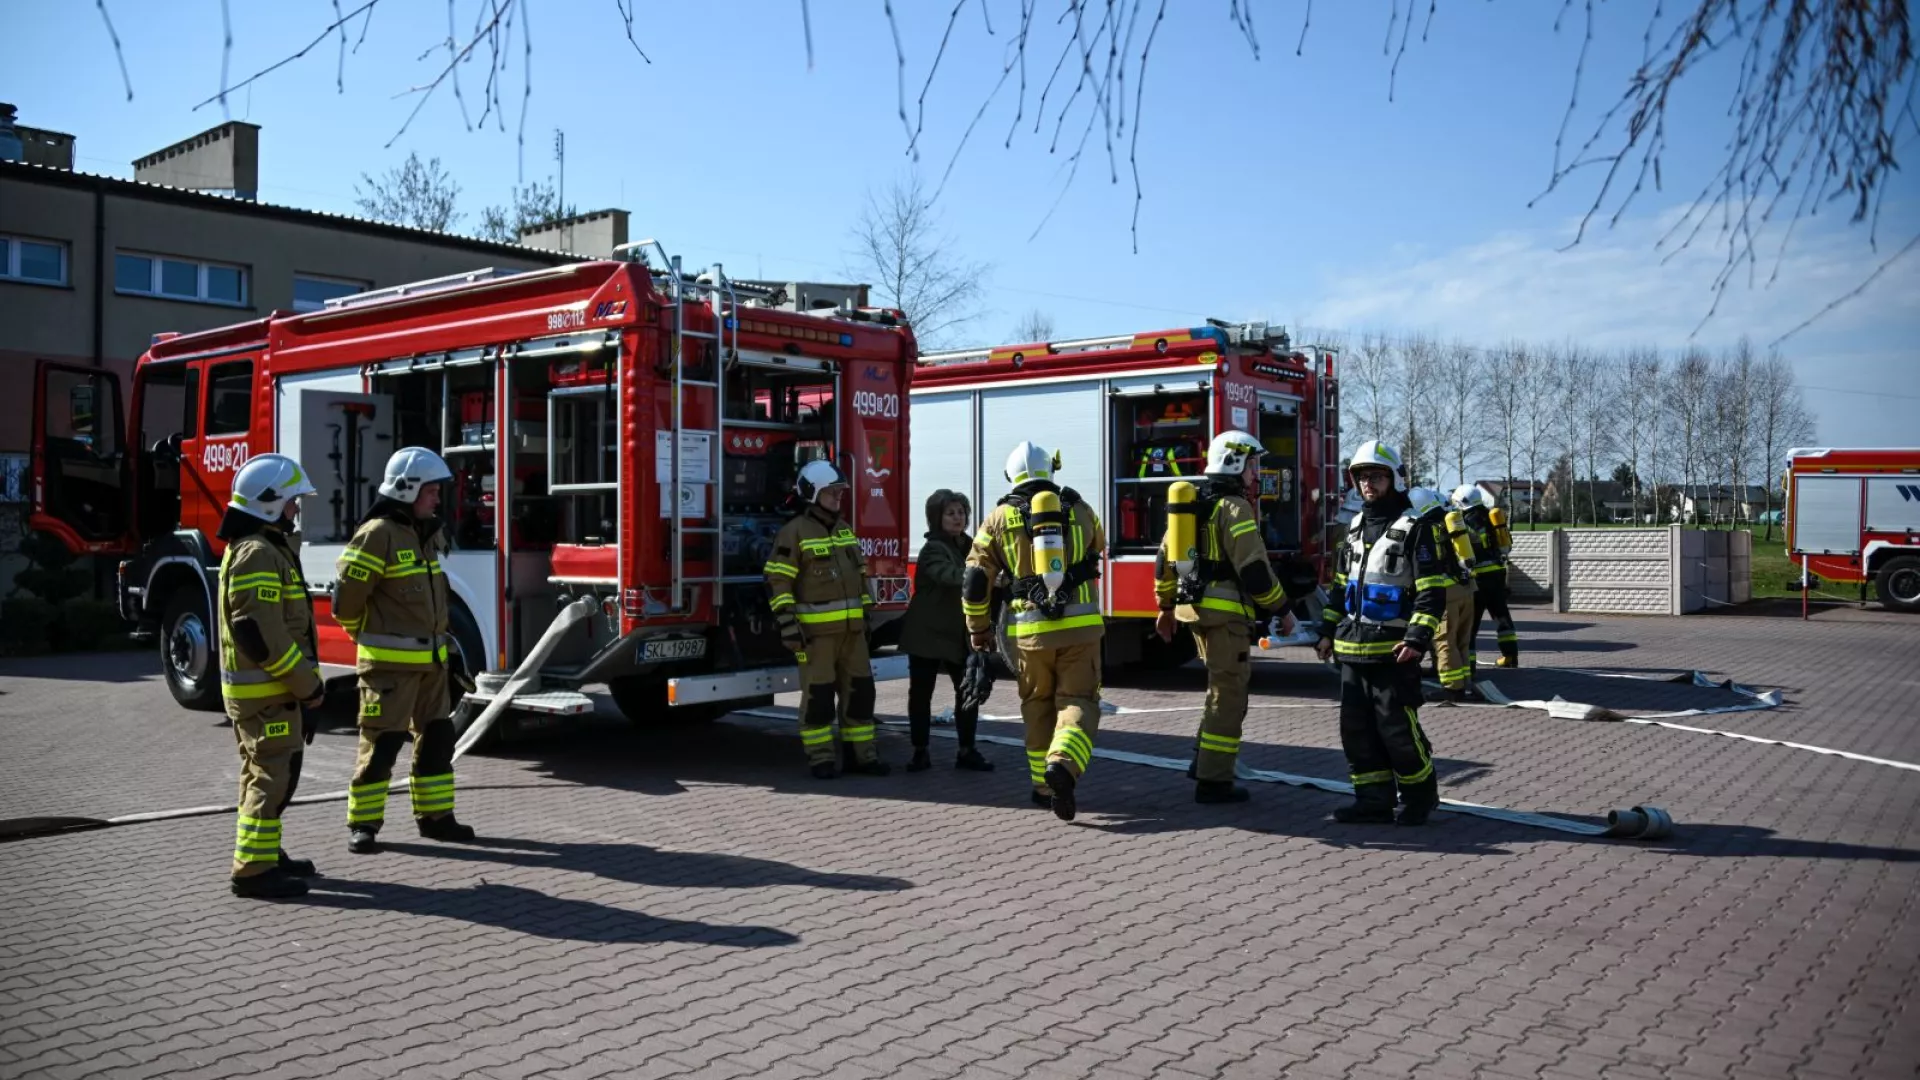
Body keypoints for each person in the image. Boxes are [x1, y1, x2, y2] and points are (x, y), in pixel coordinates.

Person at [1154, 431, 1314, 804]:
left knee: (1218, 689)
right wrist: (1283, 610)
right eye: (1253, 465)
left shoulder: (1192, 504)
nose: (1256, 474)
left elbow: (1163, 561)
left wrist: (1165, 608)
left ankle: (1202, 759)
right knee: (1228, 697)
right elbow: (1254, 570)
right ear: (1236, 463)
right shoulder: (1235, 508)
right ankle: (1214, 782)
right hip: (1226, 618)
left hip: (1194, 612)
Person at [333, 447, 479, 854]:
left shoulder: (425, 534)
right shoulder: (377, 534)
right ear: (406, 489)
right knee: (381, 746)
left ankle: (436, 818)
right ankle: (364, 824)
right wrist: (373, 640)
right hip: (388, 671)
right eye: (431, 491)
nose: (437, 499)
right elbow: (345, 604)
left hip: (432, 668)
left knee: (437, 742)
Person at [963, 441, 1106, 820]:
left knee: (1037, 706)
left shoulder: (997, 518)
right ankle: (1063, 764)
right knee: (1079, 701)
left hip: (1029, 633)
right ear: (1050, 471)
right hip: (1081, 631)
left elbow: (975, 579)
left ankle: (1044, 789)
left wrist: (978, 629)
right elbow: (1100, 544)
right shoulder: (1080, 508)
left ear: (1012, 476)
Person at [1314, 441, 1449, 826]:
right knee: (1356, 731)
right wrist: (1326, 631)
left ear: (1394, 479)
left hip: (1393, 650)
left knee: (1397, 729)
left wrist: (1417, 639)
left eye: (1376, 476)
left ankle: (1421, 798)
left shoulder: (1416, 528)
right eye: (1361, 477)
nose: (1368, 484)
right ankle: (1372, 801)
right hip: (1351, 648)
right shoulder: (1354, 527)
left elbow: (1431, 592)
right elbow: (1340, 586)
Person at [216, 454, 326, 899]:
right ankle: (253, 871)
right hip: (268, 694)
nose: (295, 509)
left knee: (265, 773)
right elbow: (261, 634)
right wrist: (308, 687)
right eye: (291, 501)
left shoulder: (261, 548)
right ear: (269, 502)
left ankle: (264, 852)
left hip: (267, 693)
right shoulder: (258, 553)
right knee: (271, 776)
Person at [766, 460, 890, 779]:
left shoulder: (844, 530)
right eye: (831, 493)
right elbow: (778, 581)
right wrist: (788, 625)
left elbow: (860, 579)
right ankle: (820, 758)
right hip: (815, 637)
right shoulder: (794, 532)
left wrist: (866, 619)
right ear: (812, 493)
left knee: (861, 696)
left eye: (840, 493)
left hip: (853, 636)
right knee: (818, 699)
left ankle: (862, 757)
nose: (838, 498)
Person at [897, 489, 995, 773]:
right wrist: (982, 576)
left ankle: (967, 751)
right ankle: (920, 752)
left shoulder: (972, 545)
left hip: (958, 634)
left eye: (961, 512)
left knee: (968, 692)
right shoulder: (932, 549)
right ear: (936, 518)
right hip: (926, 634)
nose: (957, 518)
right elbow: (949, 575)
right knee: (921, 695)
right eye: (950, 513)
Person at [1408, 486, 1478, 703]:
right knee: (1462, 641)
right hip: (1466, 588)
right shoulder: (1450, 520)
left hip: (1445, 592)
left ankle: (1451, 689)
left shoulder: (1425, 529)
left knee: (1444, 641)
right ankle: (1464, 682)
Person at [1452, 484, 1520, 670]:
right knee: (1502, 617)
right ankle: (1510, 657)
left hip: (1476, 579)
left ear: (1461, 502)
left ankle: (1469, 663)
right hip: (1497, 575)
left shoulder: (1462, 522)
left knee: (1470, 624)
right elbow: (1505, 545)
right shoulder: (1491, 517)